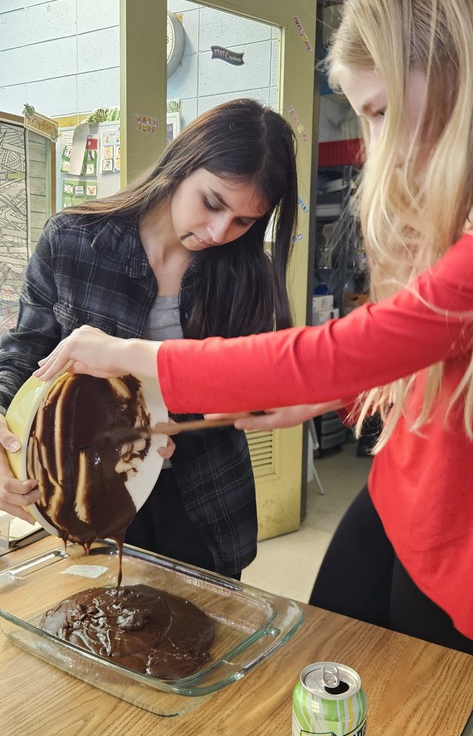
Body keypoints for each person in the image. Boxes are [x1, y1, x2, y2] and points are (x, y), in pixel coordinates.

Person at [36, 0, 473, 655]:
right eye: (364, 115)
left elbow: (330, 353)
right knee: (323, 662)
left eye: (380, 110)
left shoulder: (246, 272)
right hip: (397, 501)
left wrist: (130, 356)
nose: (374, 146)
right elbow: (405, 361)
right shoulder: (78, 241)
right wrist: (332, 398)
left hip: (447, 548)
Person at [0, 97, 299, 579]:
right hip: (88, 486)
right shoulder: (74, 240)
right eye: (213, 203)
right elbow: (26, 352)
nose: (220, 231)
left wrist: (180, 421)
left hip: (204, 501)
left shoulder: (249, 275)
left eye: (244, 220)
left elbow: (251, 392)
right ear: (182, 165)